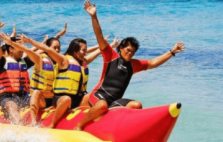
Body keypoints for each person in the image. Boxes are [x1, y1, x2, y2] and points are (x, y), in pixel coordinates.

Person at [74, 0, 185, 130]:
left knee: (137, 105)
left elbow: (153, 63)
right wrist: (93, 16)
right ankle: (79, 125)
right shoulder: (110, 56)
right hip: (99, 96)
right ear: (120, 48)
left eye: (132, 52)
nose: (129, 53)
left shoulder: (133, 65)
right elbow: (99, 35)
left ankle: (121, 130)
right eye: (127, 50)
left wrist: (171, 52)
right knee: (102, 105)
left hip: (114, 101)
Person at [0, 15, 40, 125]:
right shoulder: (2, 63)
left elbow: (41, 53)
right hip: (8, 97)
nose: (23, 48)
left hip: (25, 97)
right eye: (20, 45)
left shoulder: (23, 63)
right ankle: (20, 124)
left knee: (38, 96)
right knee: (11, 106)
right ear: (11, 48)